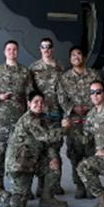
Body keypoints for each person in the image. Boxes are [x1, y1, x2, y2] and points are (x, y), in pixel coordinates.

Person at [0, 92, 69, 207]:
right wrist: (65, 128)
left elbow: (48, 144)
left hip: (33, 160)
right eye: (35, 102)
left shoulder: (43, 119)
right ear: (28, 104)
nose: (39, 105)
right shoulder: (29, 119)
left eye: (42, 102)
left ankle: (47, 198)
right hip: (19, 165)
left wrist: (53, 158)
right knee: (17, 206)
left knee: (53, 166)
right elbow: (46, 137)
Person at [56, 45, 101, 198]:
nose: (76, 57)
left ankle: (91, 185)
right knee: (75, 154)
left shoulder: (94, 75)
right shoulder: (65, 77)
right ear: (70, 59)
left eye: (79, 54)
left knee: (91, 152)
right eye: (73, 55)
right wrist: (73, 108)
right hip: (74, 121)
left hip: (91, 120)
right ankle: (79, 185)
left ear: (84, 57)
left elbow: (101, 94)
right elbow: (61, 97)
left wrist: (90, 108)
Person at [0, 40, 32, 189]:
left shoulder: (25, 72)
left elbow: (30, 94)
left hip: (20, 120)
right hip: (2, 120)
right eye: (9, 49)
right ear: (4, 52)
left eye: (14, 49)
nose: (12, 52)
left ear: (18, 52)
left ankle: (21, 186)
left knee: (21, 153)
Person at [29, 37, 64, 195]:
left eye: (49, 47)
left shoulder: (60, 68)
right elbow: (30, 92)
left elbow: (63, 92)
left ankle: (55, 184)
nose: (46, 50)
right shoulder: (34, 68)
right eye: (43, 47)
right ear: (40, 49)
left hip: (55, 113)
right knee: (40, 149)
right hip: (40, 114)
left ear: (52, 49)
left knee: (55, 148)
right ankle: (41, 185)